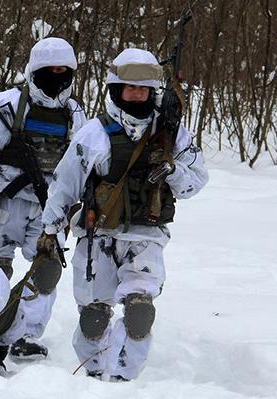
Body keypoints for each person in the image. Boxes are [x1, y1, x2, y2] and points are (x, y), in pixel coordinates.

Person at [40, 48, 209, 381]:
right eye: (130, 88)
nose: (137, 95)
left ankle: (122, 378)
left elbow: (195, 182)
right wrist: (50, 230)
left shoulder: (172, 134)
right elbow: (65, 184)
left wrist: (171, 170)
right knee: (94, 318)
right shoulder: (94, 134)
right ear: (117, 90)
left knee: (139, 313)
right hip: (97, 236)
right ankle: (92, 373)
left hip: (146, 236)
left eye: (143, 89)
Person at [0, 37, 87, 360]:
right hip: (2, 204)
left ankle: (22, 334)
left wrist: (82, 202)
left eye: (62, 72)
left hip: (46, 208)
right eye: (49, 71)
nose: (56, 78)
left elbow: (81, 162)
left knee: (47, 271)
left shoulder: (73, 113)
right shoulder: (8, 105)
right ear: (36, 71)